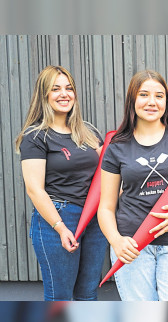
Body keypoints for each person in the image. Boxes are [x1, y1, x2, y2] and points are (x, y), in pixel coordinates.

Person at [98, 70, 168, 301]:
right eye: (144, 94)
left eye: (159, 96)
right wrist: (116, 241)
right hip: (133, 246)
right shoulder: (117, 147)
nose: (152, 102)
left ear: (166, 101)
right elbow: (106, 207)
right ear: (132, 100)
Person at [16, 65, 108, 301]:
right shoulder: (36, 137)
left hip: (94, 220)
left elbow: (107, 171)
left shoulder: (87, 132)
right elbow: (34, 189)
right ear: (44, 94)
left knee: (88, 293)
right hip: (57, 219)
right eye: (55, 89)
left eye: (68, 88)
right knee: (60, 298)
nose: (64, 94)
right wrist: (60, 227)